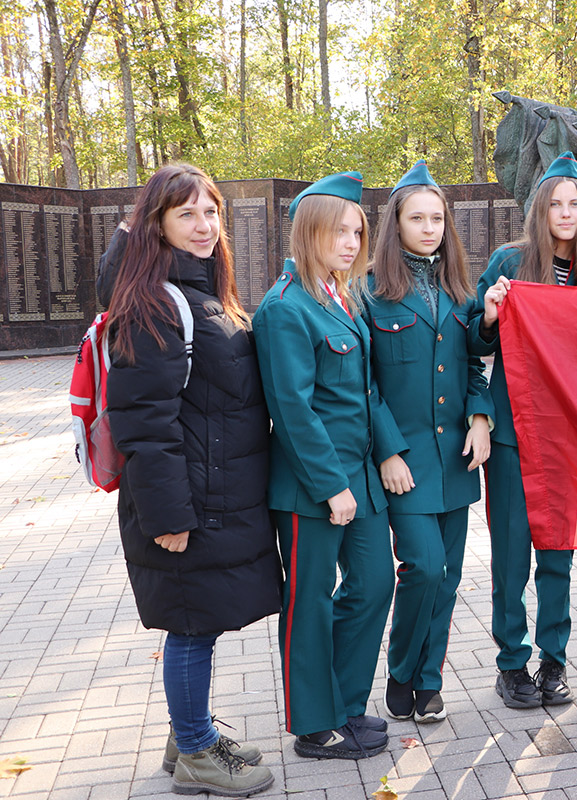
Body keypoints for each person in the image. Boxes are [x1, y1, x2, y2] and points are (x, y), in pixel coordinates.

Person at [103, 162, 279, 796]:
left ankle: (189, 733)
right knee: (191, 626)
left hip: (215, 496)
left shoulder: (201, 292)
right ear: (157, 225)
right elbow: (144, 425)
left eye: (211, 212)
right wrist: (169, 517)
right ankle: (198, 753)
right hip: (183, 504)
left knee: (198, 621)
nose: (204, 226)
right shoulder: (153, 304)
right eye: (187, 214)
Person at [253, 172, 408, 759]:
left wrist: (381, 457)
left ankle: (344, 703)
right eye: (338, 231)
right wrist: (330, 487)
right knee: (310, 601)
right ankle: (315, 726)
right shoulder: (285, 309)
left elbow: (363, 390)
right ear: (309, 231)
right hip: (312, 487)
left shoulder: (344, 298)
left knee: (372, 584)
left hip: (361, 478)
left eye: (357, 231)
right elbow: (291, 408)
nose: (350, 242)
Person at [369, 161, 494, 724]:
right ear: (394, 225)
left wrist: (480, 418)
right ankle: (400, 669)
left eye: (437, 218)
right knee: (421, 566)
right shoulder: (370, 294)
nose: (429, 228)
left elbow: (475, 368)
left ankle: (429, 681)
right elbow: (362, 384)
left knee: (448, 576)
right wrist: (388, 449)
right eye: (417, 218)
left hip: (456, 459)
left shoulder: (459, 290)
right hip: (407, 462)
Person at [472, 152, 577, 709]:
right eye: (555, 203)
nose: (565, 213)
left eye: (575, 203)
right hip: (513, 435)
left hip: (568, 434)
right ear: (539, 209)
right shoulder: (511, 261)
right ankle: (511, 663)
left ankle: (554, 660)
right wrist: (491, 318)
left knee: (557, 555)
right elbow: (471, 341)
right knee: (511, 556)